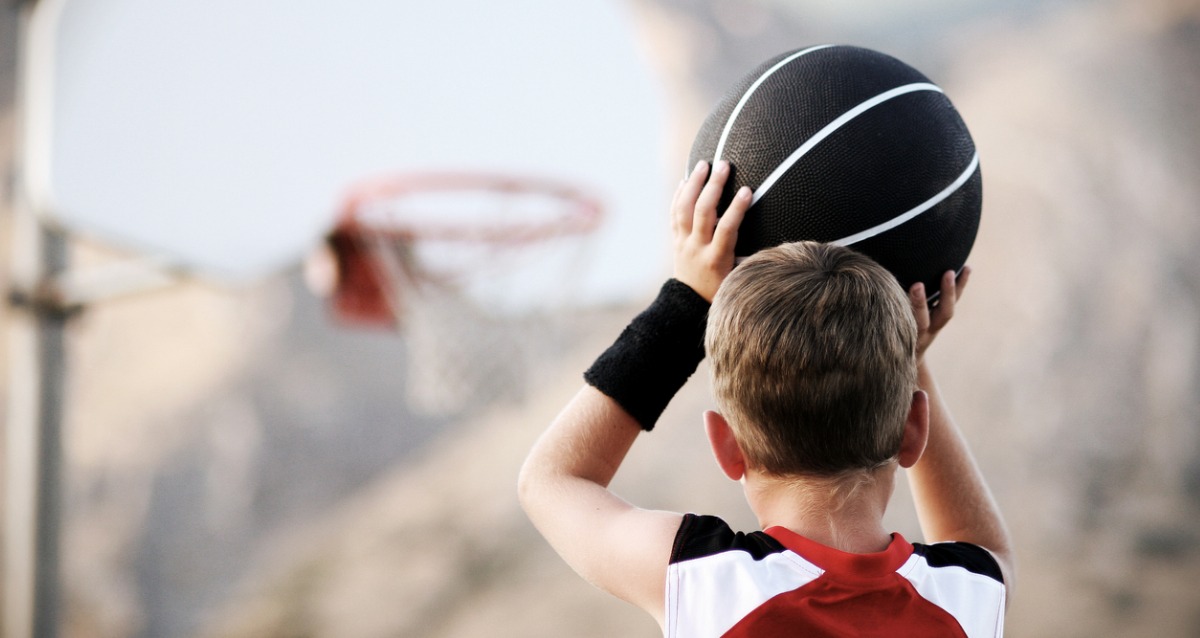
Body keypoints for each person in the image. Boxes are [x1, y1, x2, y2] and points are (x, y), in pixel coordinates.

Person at [518, 159, 1014, 637]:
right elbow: (985, 548)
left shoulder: (703, 582)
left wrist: (686, 300)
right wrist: (909, 360)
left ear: (726, 446)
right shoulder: (963, 596)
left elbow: (551, 480)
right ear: (914, 430)